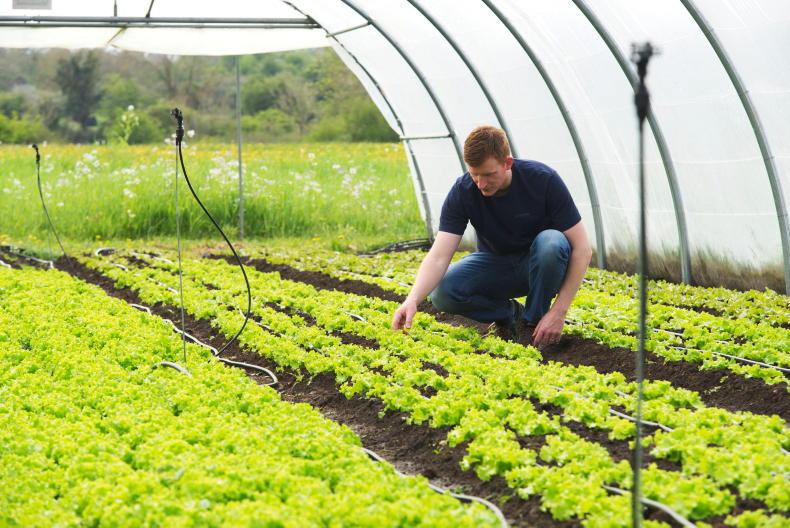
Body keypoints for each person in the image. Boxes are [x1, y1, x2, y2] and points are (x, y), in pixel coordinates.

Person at [391, 125, 592, 348]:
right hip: (497, 267)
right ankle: (511, 315)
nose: (481, 184)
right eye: (474, 174)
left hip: (542, 266)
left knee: (551, 242)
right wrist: (412, 299)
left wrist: (559, 312)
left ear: (507, 163)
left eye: (488, 174)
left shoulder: (542, 180)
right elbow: (439, 256)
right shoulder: (463, 191)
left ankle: (532, 325)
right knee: (443, 292)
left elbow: (583, 249)